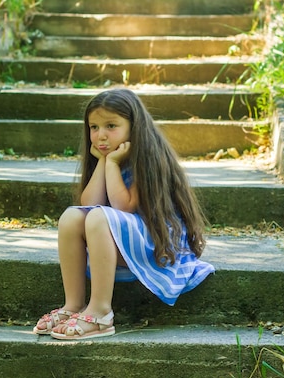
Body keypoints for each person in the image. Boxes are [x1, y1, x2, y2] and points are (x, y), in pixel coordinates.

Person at [33, 88, 215, 340]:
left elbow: (122, 207)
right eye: (94, 127)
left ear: (134, 126)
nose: (100, 136)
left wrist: (114, 163)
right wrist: (105, 163)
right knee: (72, 216)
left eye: (111, 125)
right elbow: (89, 203)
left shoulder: (149, 158)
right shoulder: (107, 158)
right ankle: (73, 306)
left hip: (155, 245)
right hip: (124, 242)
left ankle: (101, 313)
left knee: (98, 216)